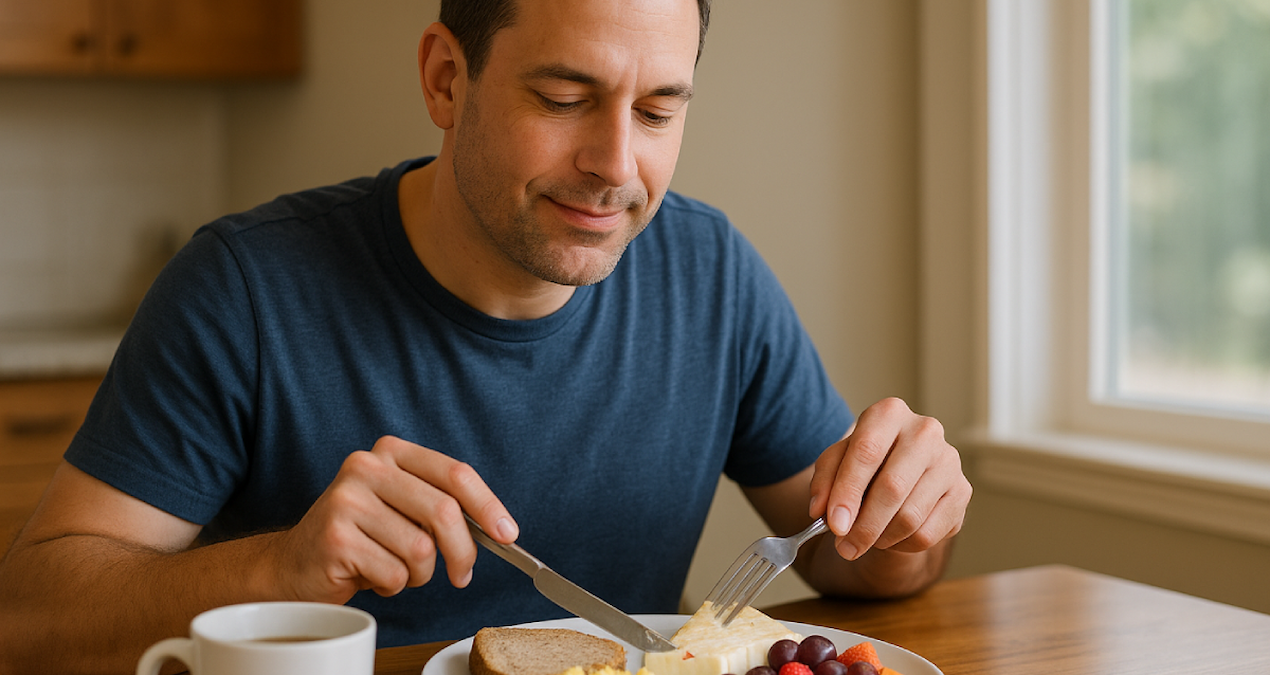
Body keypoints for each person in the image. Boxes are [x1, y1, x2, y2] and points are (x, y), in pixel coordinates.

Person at [0, 0, 971, 673]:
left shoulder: (709, 274)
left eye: (659, 109)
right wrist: (277, 573)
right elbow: (29, 624)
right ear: (444, 80)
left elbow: (854, 561)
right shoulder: (245, 289)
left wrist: (905, 521)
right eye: (562, 99)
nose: (614, 165)